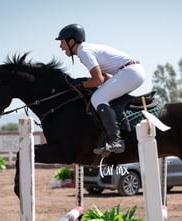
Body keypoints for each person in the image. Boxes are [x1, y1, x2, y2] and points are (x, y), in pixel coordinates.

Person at [55, 23, 145, 155]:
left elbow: (98, 80)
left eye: (62, 42)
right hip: (131, 72)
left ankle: (116, 140)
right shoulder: (86, 50)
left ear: (72, 41)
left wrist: (80, 85)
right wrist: (87, 82)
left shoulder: (83, 51)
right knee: (102, 95)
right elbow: (106, 78)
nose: (61, 46)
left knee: (98, 98)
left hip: (130, 73)